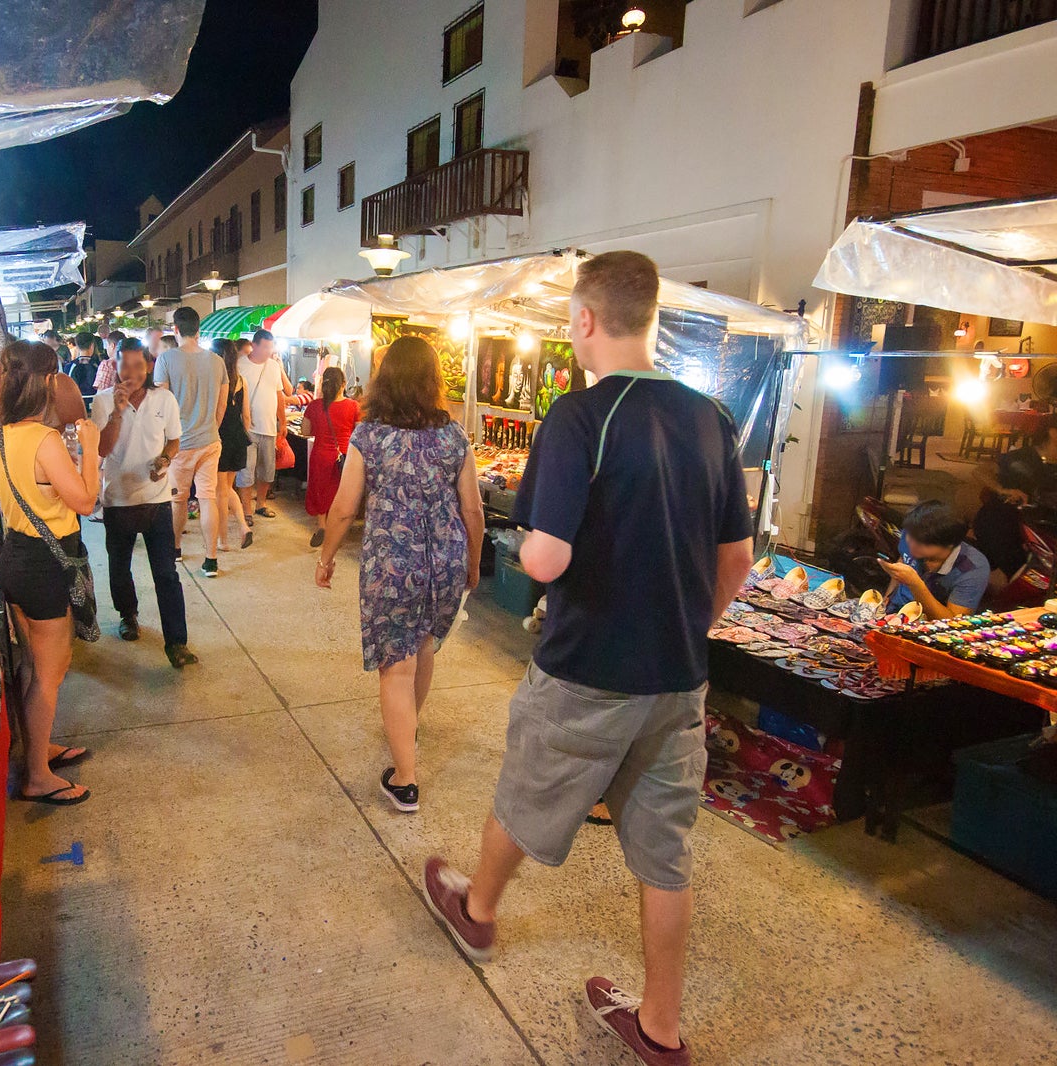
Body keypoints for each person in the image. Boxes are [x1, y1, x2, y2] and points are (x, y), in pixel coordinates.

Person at [421, 252, 755, 1066]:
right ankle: (661, 1029)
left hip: (586, 668)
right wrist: (688, 627)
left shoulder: (578, 416)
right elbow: (737, 560)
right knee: (665, 854)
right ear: (650, 319)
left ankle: (480, 910)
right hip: (678, 680)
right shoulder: (713, 417)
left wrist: (529, 540)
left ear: (584, 322)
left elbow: (542, 560)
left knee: (526, 791)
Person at [316, 336, 484, 814]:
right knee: (424, 643)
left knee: (396, 664)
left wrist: (326, 557)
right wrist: (472, 562)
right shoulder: (454, 435)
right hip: (445, 561)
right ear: (434, 380)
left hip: (394, 562)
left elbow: (345, 507)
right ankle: (407, 726)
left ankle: (405, 780)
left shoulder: (370, 436)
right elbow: (472, 508)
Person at [0, 339, 102, 806]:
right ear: (48, 381)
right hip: (48, 564)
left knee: (33, 665)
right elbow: (87, 501)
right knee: (51, 672)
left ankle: (37, 749)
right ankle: (36, 776)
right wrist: (88, 449)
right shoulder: (46, 440)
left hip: (14, 558)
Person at [91, 340, 198, 669]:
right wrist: (117, 413)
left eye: (139, 366)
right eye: (126, 365)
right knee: (119, 568)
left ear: (148, 366)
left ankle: (176, 643)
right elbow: (102, 449)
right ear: (116, 365)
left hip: (157, 499)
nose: (132, 373)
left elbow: (174, 439)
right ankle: (128, 615)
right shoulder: (102, 401)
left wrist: (165, 459)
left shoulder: (163, 399)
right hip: (118, 500)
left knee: (166, 574)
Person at [154, 307, 229, 578]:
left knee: (179, 500)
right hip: (210, 440)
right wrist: (210, 427)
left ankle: (175, 549)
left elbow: (160, 405)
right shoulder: (217, 361)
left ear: (176, 329)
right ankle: (211, 560)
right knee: (208, 498)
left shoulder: (165, 360)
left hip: (180, 443)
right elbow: (222, 405)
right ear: (199, 330)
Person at [972, 413, 1057, 582]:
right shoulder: (1023, 457)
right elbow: (979, 471)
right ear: (1053, 432)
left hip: (1043, 525)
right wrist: (1003, 490)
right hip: (1005, 521)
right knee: (1016, 566)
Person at [882, 500, 991, 619]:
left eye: (922, 543)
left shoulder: (972, 568)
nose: (911, 544)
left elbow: (952, 623)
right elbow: (902, 561)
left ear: (950, 544)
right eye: (910, 536)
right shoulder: (912, 534)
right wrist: (886, 601)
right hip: (893, 614)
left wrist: (916, 584)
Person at [236, 329, 295, 520]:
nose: (270, 351)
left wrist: (283, 422)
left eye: (271, 347)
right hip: (247, 429)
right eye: (266, 347)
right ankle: (246, 511)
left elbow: (280, 394)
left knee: (267, 471)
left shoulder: (273, 367)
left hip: (269, 428)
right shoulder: (240, 365)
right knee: (246, 471)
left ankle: (261, 504)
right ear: (254, 345)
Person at [301, 367, 360, 549]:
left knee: (320, 490)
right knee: (339, 494)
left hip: (320, 455)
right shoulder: (353, 406)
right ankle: (337, 530)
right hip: (343, 457)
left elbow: (305, 431)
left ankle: (322, 526)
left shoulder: (314, 406)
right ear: (343, 384)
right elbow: (358, 433)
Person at [213, 339, 254, 551]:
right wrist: (244, 433)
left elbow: (214, 412)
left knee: (221, 491)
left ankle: (223, 540)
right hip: (238, 436)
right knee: (227, 488)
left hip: (220, 436)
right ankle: (243, 526)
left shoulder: (215, 379)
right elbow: (246, 415)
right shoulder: (241, 380)